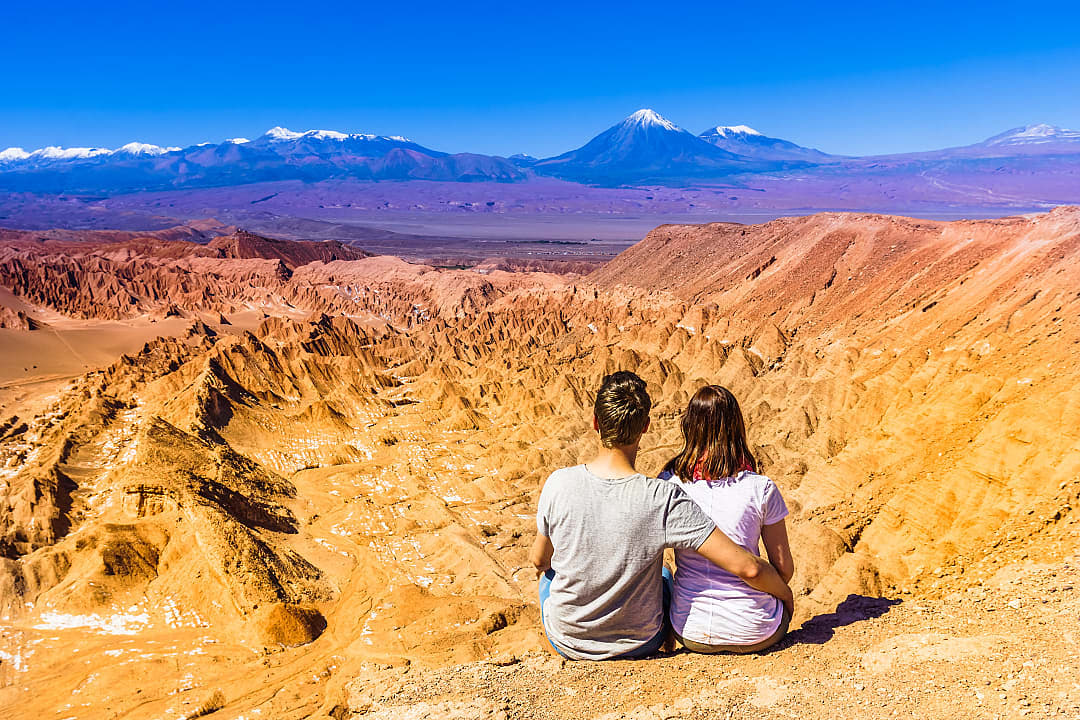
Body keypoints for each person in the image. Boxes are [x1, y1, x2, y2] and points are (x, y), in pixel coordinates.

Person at [528, 371, 793, 661]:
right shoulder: (661, 497)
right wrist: (785, 596)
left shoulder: (558, 482)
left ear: (595, 422)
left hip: (569, 642)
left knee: (548, 577)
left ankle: (565, 641)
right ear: (645, 427)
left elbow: (539, 560)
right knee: (662, 576)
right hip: (641, 641)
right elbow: (749, 567)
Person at [659, 384, 795, 654]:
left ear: (689, 427)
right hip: (756, 630)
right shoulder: (761, 488)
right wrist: (785, 597)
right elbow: (784, 569)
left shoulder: (668, 484)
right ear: (737, 427)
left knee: (665, 574)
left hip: (689, 630)